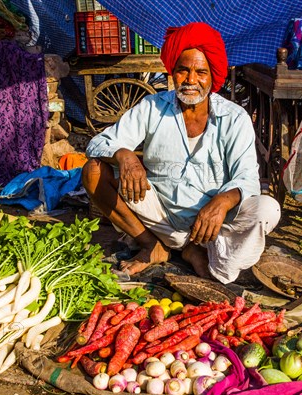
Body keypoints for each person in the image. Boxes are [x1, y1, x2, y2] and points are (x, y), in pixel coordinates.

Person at [82, 22, 281, 284]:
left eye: (200, 72)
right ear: (172, 72)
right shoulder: (152, 107)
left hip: (213, 227)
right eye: (182, 71)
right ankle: (151, 245)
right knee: (93, 170)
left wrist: (221, 203)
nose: (190, 80)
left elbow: (247, 178)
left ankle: (192, 249)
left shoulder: (234, 118)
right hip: (160, 215)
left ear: (212, 77)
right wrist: (125, 155)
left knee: (267, 209)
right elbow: (98, 143)